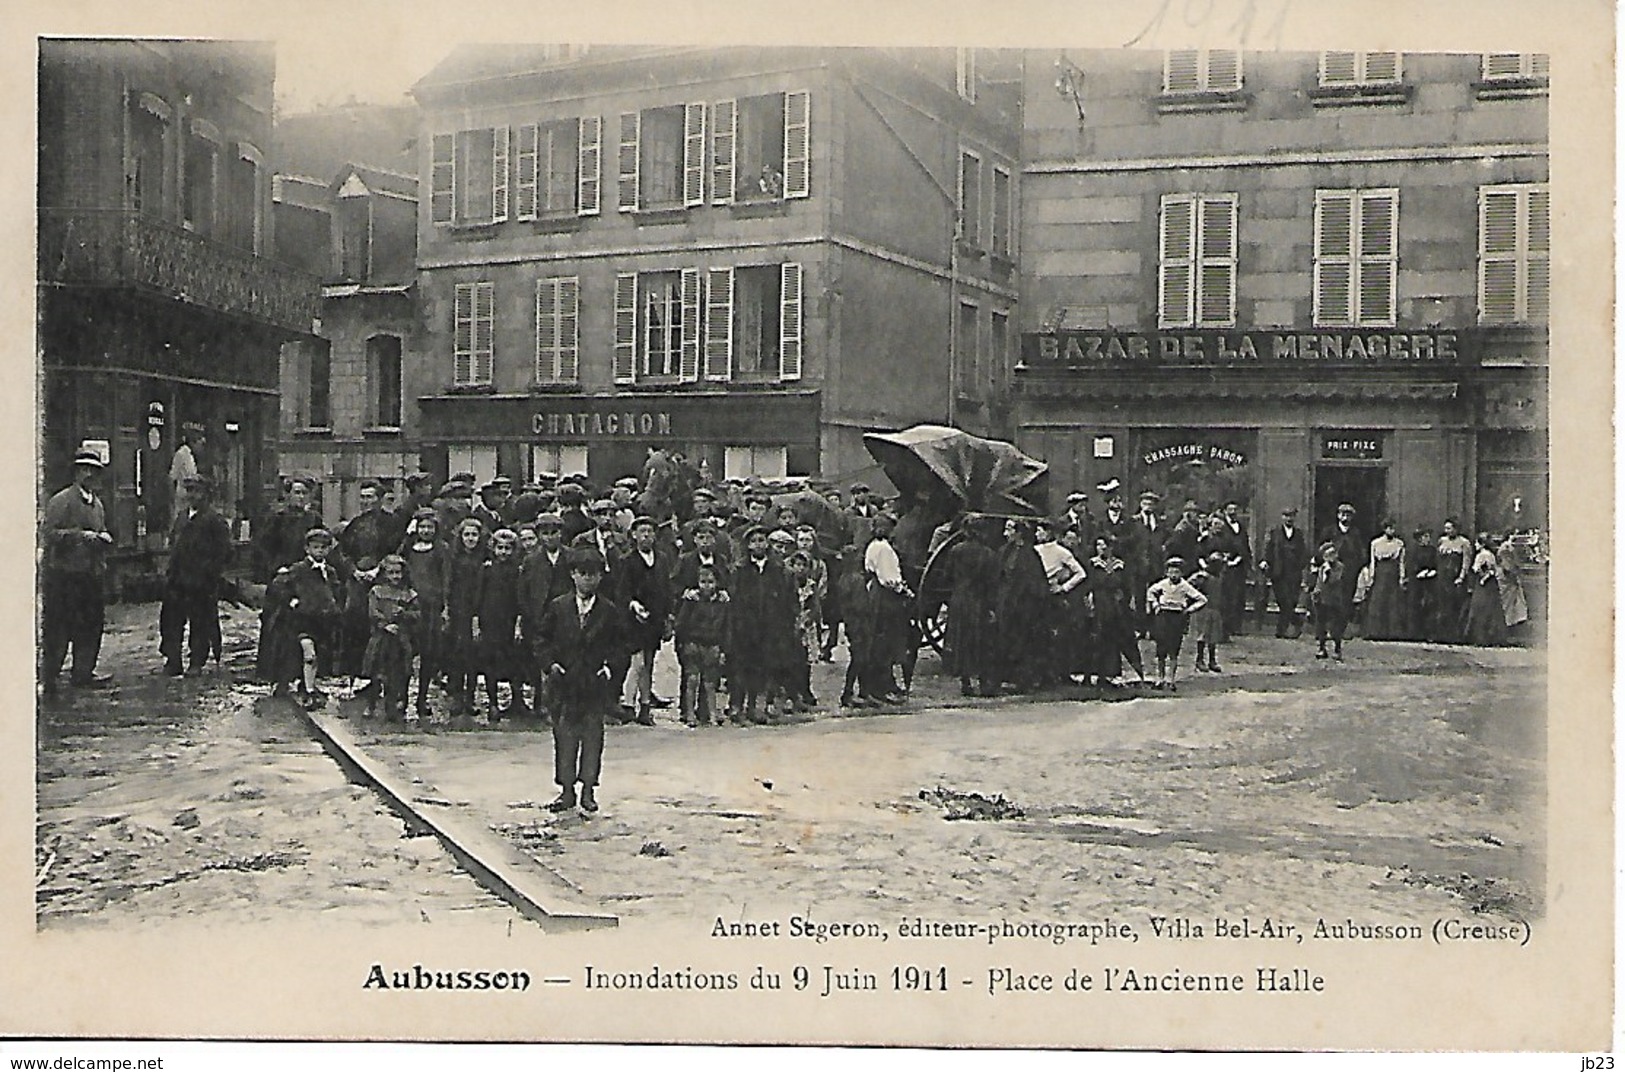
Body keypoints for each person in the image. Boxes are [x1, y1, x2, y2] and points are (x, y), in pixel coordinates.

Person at [538, 550, 625, 814]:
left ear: (601, 577)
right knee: (565, 737)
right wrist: (551, 664)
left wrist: (609, 669)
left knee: (592, 737)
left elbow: (620, 645)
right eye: (583, 574)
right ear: (573, 575)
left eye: (593, 575)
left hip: (593, 685)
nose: (588, 580)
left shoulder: (608, 610)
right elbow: (541, 639)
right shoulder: (558, 606)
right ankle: (566, 790)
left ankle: (588, 790)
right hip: (564, 682)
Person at [41, 446, 115, 692]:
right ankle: (49, 676)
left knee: (91, 625)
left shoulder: (98, 505)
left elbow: (99, 531)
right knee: (60, 626)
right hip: (65, 575)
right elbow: (49, 534)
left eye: (93, 470)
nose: (89, 475)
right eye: (84, 470)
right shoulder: (61, 500)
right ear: (76, 473)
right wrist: (80, 536)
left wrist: (103, 538)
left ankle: (83, 672)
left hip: (90, 574)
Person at [159, 475, 232, 677]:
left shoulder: (214, 521)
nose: (192, 495)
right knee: (171, 621)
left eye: (196, 491)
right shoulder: (182, 517)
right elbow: (174, 544)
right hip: (177, 580)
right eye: (188, 490)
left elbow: (224, 552)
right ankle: (173, 660)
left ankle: (196, 662)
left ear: (206, 494)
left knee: (200, 623)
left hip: (201, 582)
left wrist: (208, 573)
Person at [729, 527, 797, 723]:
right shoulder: (740, 569)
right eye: (754, 541)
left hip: (771, 627)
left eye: (762, 540)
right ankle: (736, 706)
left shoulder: (779, 570)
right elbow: (734, 599)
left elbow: (789, 601)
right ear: (748, 545)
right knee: (741, 667)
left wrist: (786, 625)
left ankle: (756, 706)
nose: (758, 544)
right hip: (745, 627)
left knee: (764, 667)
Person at [616, 516, 675, 725]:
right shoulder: (627, 561)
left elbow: (667, 588)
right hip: (634, 619)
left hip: (655, 618)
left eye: (650, 532)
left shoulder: (662, 559)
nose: (646, 536)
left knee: (649, 662)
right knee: (637, 661)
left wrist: (668, 615)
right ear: (634, 535)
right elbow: (622, 591)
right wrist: (633, 605)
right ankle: (629, 704)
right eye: (642, 532)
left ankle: (645, 706)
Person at [283, 528, 346, 709]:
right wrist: (294, 602)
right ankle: (309, 692)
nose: (319, 551)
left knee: (318, 655)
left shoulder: (330, 571)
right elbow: (285, 588)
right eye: (316, 547)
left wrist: (335, 607)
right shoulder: (299, 569)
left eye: (323, 548)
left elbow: (336, 590)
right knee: (309, 654)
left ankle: (308, 684)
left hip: (323, 619)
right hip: (304, 620)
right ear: (307, 549)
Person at [400, 509, 451, 721]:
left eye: (430, 527)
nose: (426, 531)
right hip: (411, 606)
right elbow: (398, 563)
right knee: (405, 652)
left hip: (431, 607)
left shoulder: (442, 549)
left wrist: (445, 605)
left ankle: (422, 699)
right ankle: (400, 698)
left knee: (428, 654)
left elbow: (447, 577)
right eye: (422, 527)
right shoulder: (409, 548)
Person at [942, 518, 1001, 697]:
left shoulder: (955, 551)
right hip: (980, 601)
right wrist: (992, 607)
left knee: (962, 640)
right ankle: (984, 683)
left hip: (960, 600)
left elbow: (946, 576)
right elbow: (993, 583)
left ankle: (965, 682)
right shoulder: (989, 554)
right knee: (983, 641)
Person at [474, 528, 526, 723]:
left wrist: (519, 623)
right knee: (490, 663)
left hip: (509, 622)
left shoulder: (517, 571)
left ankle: (517, 701)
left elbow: (520, 599)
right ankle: (493, 703)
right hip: (490, 621)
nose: (503, 552)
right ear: (493, 549)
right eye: (500, 548)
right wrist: (477, 622)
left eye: (507, 548)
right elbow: (478, 596)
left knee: (514, 661)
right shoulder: (486, 570)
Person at [862, 514, 912, 703]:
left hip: (876, 593)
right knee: (886, 640)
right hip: (886, 597)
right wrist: (905, 590)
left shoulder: (873, 546)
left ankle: (885, 684)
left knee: (880, 640)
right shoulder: (884, 549)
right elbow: (889, 578)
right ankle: (881, 688)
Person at [364, 555, 420, 722]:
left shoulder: (409, 594)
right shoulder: (376, 591)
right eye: (391, 573)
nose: (395, 577)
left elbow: (418, 614)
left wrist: (405, 614)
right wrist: (384, 624)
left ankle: (396, 704)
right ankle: (371, 703)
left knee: (399, 673)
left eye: (398, 573)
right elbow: (372, 612)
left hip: (401, 638)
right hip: (381, 638)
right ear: (384, 574)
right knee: (376, 672)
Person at [1086, 534, 1146, 688]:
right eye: (1098, 545)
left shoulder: (1120, 565)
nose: (1102, 549)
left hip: (1117, 607)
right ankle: (1097, 675)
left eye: (1104, 545)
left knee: (1119, 638)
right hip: (1100, 605)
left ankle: (1118, 673)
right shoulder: (1092, 564)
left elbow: (1127, 586)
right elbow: (1089, 585)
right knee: (1098, 640)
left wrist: (1125, 599)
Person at [996, 520, 1049, 694]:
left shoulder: (1030, 555)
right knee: (1006, 639)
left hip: (1024, 606)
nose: (1005, 534)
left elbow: (1038, 583)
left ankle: (1024, 680)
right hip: (1006, 603)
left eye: (1009, 530)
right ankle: (1008, 676)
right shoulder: (1004, 551)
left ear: (1019, 533)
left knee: (1024, 642)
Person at [675, 565, 730, 727]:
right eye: (703, 582)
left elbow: (727, 628)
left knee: (710, 682)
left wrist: (724, 650)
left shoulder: (722, 603)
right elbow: (681, 624)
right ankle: (690, 713)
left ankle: (712, 714)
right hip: (693, 644)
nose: (707, 586)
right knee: (692, 679)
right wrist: (682, 644)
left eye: (711, 582)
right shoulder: (691, 601)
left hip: (713, 645)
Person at [444, 517, 487, 717]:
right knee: (456, 654)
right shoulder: (454, 558)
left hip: (478, 609)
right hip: (457, 610)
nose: (470, 539)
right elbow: (448, 584)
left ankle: (470, 698)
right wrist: (447, 608)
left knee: (473, 656)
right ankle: (456, 697)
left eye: (474, 535)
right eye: (467, 535)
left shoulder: (484, 558)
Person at [1145, 556, 1207, 691]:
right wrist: (1155, 604)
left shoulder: (1185, 586)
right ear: (1167, 572)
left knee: (1174, 650)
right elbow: (1150, 591)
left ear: (1182, 573)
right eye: (1171, 572)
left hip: (1177, 617)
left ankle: (1171, 680)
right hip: (1163, 616)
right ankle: (1159, 678)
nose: (1174, 575)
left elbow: (1202, 599)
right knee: (1161, 649)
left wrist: (1189, 609)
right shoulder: (1163, 584)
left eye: (1177, 572)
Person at [1260, 506, 1310, 638]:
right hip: (1278, 572)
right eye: (1286, 516)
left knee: (1291, 600)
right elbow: (1268, 549)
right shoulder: (1274, 532)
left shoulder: (1298, 534)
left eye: (1291, 516)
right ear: (1282, 517)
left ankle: (1281, 630)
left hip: (1294, 572)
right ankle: (1296, 621)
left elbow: (1303, 552)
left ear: (1295, 518)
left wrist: (1300, 565)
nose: (1289, 518)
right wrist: (1265, 561)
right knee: (1282, 601)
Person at [1364, 519, 1408, 640]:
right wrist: (1371, 578)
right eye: (1389, 528)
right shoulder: (1376, 543)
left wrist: (1401, 577)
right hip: (1381, 573)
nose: (1391, 530)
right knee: (1378, 601)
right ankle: (1376, 632)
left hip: (1393, 573)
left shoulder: (1399, 544)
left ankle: (1394, 632)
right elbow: (1372, 562)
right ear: (1384, 529)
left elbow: (1401, 562)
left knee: (1393, 601)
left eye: (1393, 528)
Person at [1464, 533, 1509, 646]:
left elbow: (1476, 569)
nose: (1475, 545)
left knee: (1479, 609)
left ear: (1482, 544)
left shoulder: (1481, 555)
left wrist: (1482, 577)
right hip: (1491, 585)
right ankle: (1492, 637)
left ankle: (1480, 638)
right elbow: (1493, 569)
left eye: (1477, 543)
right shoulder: (1491, 555)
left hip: (1483, 585)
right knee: (1491, 609)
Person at [1433, 518, 1473, 643]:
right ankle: (1441, 635)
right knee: (1442, 605)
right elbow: (1438, 559)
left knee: (1455, 606)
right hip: (1442, 577)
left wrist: (1461, 577)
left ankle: (1455, 636)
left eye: (1449, 528)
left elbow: (1466, 561)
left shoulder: (1464, 543)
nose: (1447, 531)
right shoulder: (1442, 541)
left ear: (1456, 529)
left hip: (1455, 578)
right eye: (1445, 528)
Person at [1310, 541, 1350, 660]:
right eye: (1327, 555)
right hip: (1322, 600)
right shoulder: (1323, 567)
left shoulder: (1340, 567)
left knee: (1335, 626)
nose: (1331, 557)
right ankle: (1322, 648)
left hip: (1335, 600)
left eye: (1333, 554)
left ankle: (1337, 649)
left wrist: (1328, 572)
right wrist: (1316, 592)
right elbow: (1320, 582)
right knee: (1320, 624)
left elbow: (1334, 580)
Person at [1217, 501, 1252, 637]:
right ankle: (1226, 626)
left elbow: (1245, 546)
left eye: (1235, 510)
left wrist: (1245, 559)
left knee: (1239, 597)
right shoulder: (1221, 527)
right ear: (1225, 511)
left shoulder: (1241, 528)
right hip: (1225, 567)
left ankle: (1237, 626)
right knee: (1226, 597)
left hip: (1240, 567)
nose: (1233, 512)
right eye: (1230, 509)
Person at [1188, 554, 1225, 673]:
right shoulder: (1202, 576)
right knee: (1202, 635)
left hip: (1215, 608)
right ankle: (1199, 660)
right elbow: (1189, 586)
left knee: (1213, 636)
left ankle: (1212, 660)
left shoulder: (1218, 577)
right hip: (1204, 609)